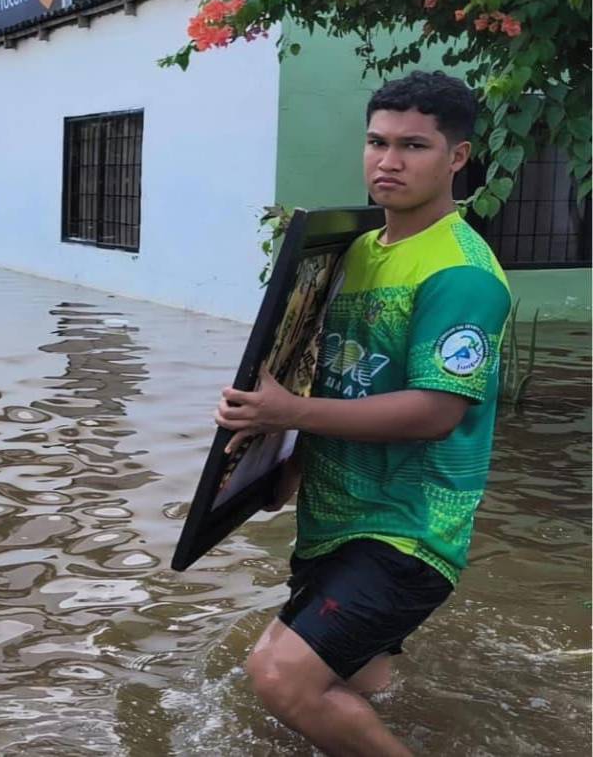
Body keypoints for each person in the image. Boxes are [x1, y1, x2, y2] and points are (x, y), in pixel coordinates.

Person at [215, 71, 511, 756]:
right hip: (335, 520)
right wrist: (276, 464)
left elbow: (435, 410)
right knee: (360, 683)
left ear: (457, 159)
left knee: (279, 676)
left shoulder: (460, 272)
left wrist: (291, 409)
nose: (388, 161)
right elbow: (336, 377)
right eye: (377, 142)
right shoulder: (353, 251)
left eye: (414, 146)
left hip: (410, 530)